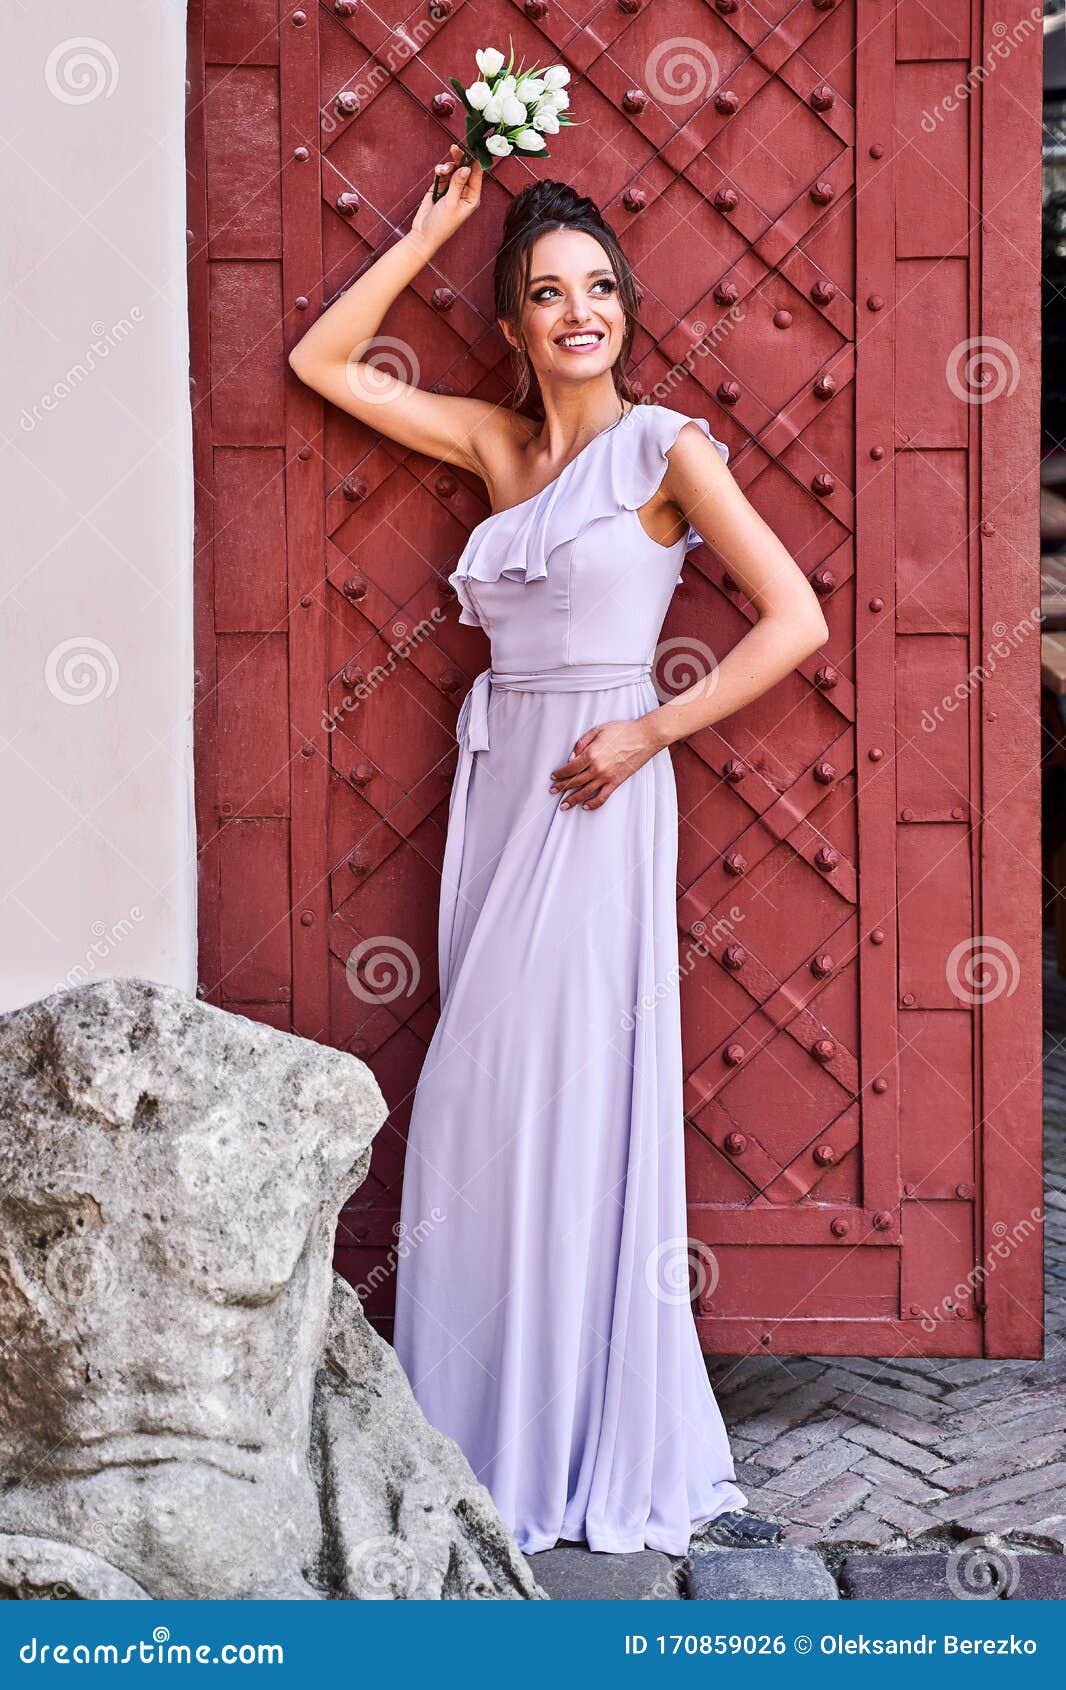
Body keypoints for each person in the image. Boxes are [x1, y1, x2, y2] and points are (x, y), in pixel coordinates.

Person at [289, 147, 828, 1557]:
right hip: (500, 791)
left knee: (561, 1098)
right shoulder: (494, 442)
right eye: (545, 292)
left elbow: (792, 620)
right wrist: (420, 241)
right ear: (516, 324)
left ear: (623, 309)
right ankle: (477, 1427)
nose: (576, 310)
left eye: (596, 286)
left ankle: (579, 1428)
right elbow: (323, 360)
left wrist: (652, 729)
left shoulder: (667, 450)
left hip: (600, 788)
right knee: (478, 1101)